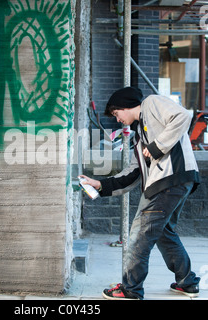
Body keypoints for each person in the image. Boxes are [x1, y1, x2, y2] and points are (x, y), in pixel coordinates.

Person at [80, 87, 201, 300]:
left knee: (140, 234)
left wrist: (157, 147)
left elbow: (183, 116)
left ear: (125, 106)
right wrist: (100, 184)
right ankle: (187, 282)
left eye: (117, 114)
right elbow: (133, 173)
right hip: (176, 182)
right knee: (164, 233)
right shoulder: (140, 137)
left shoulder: (151, 103)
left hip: (169, 181)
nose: (118, 120)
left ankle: (130, 289)